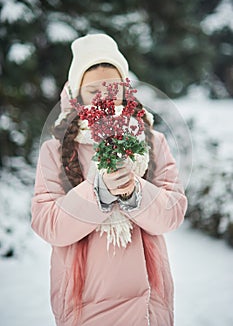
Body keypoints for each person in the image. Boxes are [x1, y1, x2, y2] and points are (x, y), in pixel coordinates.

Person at [31, 33, 188, 326]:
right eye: (93, 91)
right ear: (77, 95)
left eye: (112, 88)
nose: (105, 98)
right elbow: (48, 224)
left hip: (148, 306)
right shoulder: (55, 150)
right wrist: (97, 192)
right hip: (84, 305)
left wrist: (135, 191)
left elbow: (172, 214)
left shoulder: (152, 142)